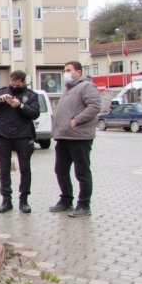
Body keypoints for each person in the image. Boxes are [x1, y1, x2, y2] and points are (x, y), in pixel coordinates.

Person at [0, 70, 40, 213]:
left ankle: (24, 200)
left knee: (25, 169)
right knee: (4, 169)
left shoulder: (31, 95)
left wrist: (20, 105)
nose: (14, 86)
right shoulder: (1, 92)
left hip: (23, 136)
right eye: (12, 83)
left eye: (17, 84)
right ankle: (6, 200)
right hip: (3, 135)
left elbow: (35, 114)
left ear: (23, 82)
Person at [50, 61, 101, 218]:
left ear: (78, 72)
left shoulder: (87, 86)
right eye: (64, 70)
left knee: (82, 172)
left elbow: (94, 106)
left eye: (69, 70)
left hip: (79, 137)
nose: (65, 73)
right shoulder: (68, 89)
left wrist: (77, 120)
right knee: (60, 169)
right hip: (63, 137)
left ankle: (84, 205)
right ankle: (66, 200)